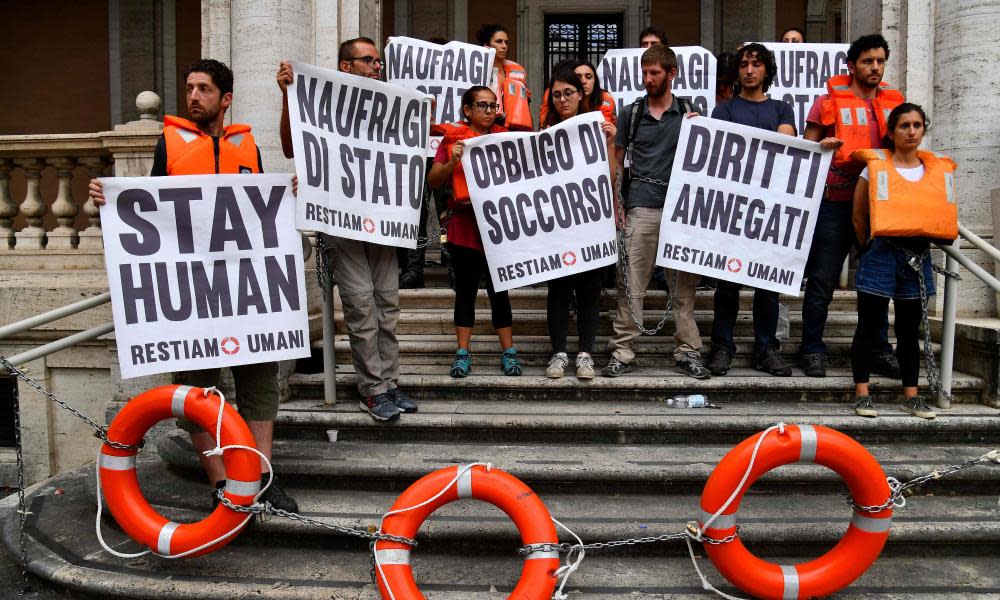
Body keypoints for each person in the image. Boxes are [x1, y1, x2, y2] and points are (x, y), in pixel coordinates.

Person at [88, 59, 298, 513]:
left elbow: (259, 210)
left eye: (203, 89)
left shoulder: (248, 146)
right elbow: (148, 206)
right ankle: (223, 484)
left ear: (226, 98)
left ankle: (262, 478)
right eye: (189, 88)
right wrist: (112, 200)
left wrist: (287, 196)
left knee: (259, 385)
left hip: (245, 290)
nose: (193, 96)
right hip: (192, 294)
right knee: (197, 391)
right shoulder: (169, 143)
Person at [276, 38, 418, 423]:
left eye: (378, 61)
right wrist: (289, 96)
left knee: (387, 304)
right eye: (368, 60)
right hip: (341, 220)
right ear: (345, 66)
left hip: (383, 220)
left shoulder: (389, 106)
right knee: (360, 303)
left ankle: (389, 382)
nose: (376, 67)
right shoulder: (322, 103)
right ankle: (371, 388)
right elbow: (291, 148)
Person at [800, 33, 904, 378]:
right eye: (867, 61)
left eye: (880, 61)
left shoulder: (895, 104)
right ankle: (812, 348)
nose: (874, 67)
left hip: (880, 206)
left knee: (877, 283)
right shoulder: (825, 103)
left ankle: (879, 349)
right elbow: (804, 152)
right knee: (821, 281)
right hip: (835, 203)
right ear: (851, 65)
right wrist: (824, 148)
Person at [603, 44, 709, 380]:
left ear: (671, 74)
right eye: (644, 73)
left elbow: (707, 162)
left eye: (654, 73)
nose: (647, 79)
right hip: (641, 207)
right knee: (631, 283)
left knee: (684, 286)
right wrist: (617, 205)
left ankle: (688, 350)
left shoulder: (691, 112)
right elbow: (616, 163)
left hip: (681, 212)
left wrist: (703, 131)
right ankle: (622, 349)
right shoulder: (631, 113)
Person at [850, 103, 947, 420]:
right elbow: (858, 215)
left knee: (908, 330)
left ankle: (912, 396)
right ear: (891, 132)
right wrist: (865, 249)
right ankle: (863, 394)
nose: (911, 131)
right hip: (880, 254)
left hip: (917, 258)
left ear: (923, 129)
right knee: (868, 327)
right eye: (904, 125)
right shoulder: (873, 168)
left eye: (917, 125)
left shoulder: (932, 171)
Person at [706, 44, 796, 378]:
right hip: (734, 207)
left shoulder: (781, 109)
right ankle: (722, 346)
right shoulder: (724, 110)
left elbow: (785, 143)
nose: (749, 70)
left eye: (756, 64)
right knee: (727, 283)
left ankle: (765, 348)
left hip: (770, 208)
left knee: (768, 284)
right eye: (743, 64)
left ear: (766, 71)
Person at [426, 86, 523, 378]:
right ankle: (462, 353)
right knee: (465, 292)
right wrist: (453, 160)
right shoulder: (452, 139)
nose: (489, 111)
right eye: (482, 105)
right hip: (464, 228)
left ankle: (509, 352)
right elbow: (433, 181)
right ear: (467, 110)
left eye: (494, 106)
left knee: (500, 291)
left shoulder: (505, 137)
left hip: (497, 228)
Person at [540, 68, 617, 379]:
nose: (562, 99)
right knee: (558, 288)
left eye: (568, 93)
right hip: (558, 223)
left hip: (591, 221)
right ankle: (558, 352)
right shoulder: (545, 130)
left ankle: (585, 353)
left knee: (589, 288)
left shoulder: (598, 126)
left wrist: (610, 143)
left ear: (581, 93)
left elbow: (610, 176)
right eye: (556, 95)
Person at [477, 24, 533, 131]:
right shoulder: (478, 73)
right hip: (488, 131)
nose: (504, 46)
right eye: (498, 41)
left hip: (515, 131)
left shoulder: (517, 72)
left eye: (506, 42)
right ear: (486, 45)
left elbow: (526, 107)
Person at [539, 59, 617, 127]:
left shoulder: (605, 98)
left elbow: (603, 131)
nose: (583, 81)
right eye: (578, 77)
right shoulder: (552, 94)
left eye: (588, 77)